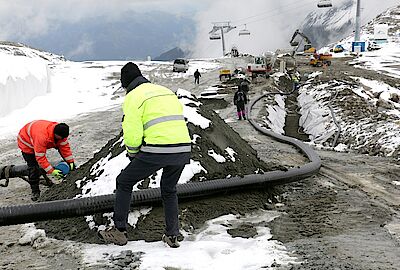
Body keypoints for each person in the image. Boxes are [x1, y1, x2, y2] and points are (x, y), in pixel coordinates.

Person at [99, 62, 191, 248]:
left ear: (126, 83)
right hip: (182, 148)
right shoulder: (164, 90)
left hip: (157, 148)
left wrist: (133, 155)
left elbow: (132, 132)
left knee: (124, 182)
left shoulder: (133, 97)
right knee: (169, 189)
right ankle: (172, 235)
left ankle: (120, 231)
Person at [17, 120, 76, 201]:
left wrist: (71, 162)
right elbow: (40, 158)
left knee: (43, 164)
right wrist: (52, 171)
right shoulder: (42, 137)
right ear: (55, 134)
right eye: (61, 138)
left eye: (63, 138)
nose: (62, 139)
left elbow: (64, 148)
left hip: (37, 133)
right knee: (33, 167)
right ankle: (35, 191)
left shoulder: (61, 134)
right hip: (26, 142)